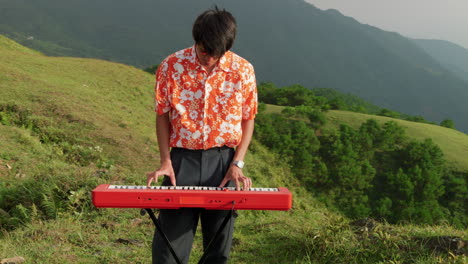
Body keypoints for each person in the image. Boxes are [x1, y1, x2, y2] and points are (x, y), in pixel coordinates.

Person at [146, 6, 257, 264]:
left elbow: (247, 119)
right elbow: (162, 115)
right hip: (182, 161)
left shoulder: (243, 70)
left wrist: (237, 163)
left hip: (224, 163)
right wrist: (165, 161)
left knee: (218, 249)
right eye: (204, 51)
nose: (209, 58)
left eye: (216, 54)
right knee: (167, 251)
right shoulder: (172, 65)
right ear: (196, 40)